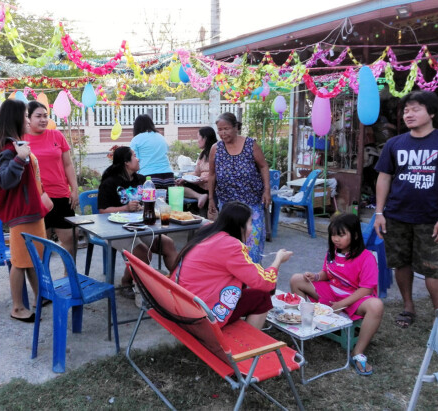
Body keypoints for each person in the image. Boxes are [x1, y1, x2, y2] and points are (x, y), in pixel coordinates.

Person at [374, 90, 438, 328]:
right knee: (401, 263)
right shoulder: (394, 143)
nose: (409, 114)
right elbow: (384, 178)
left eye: (416, 109)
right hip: (396, 216)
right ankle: (408, 307)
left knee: (434, 269)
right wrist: (378, 213)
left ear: (432, 112)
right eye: (406, 110)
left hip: (431, 217)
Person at [174, 201, 292, 329]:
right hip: (201, 316)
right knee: (262, 297)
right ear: (240, 226)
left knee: (246, 291)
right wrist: (278, 260)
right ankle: (251, 345)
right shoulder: (231, 246)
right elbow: (265, 283)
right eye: (250, 223)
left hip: (181, 305)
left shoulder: (208, 232)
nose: (252, 229)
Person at [290, 213, 383, 375]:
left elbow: (366, 289)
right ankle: (307, 327)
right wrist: (316, 276)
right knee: (296, 279)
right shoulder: (333, 251)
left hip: (355, 298)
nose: (336, 239)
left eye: (341, 235)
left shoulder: (366, 257)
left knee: (376, 305)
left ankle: (358, 352)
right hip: (332, 293)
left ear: (354, 235)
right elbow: (328, 273)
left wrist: (343, 303)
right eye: (333, 235)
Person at [0, 99, 51, 322]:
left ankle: (40, 296)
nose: (27, 120)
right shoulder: (7, 147)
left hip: (32, 210)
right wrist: (19, 158)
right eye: (24, 116)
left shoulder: (14, 144)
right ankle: (17, 308)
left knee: (33, 258)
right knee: (21, 262)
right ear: (15, 118)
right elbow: (4, 180)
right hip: (21, 214)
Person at [98, 146, 178, 298]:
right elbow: (102, 211)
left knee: (167, 243)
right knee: (142, 253)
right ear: (126, 163)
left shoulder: (142, 180)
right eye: (134, 156)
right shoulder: (110, 183)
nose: (138, 159)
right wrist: (125, 207)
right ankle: (126, 282)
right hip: (116, 229)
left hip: (140, 225)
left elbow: (151, 203)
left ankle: (178, 284)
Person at [208, 112, 271, 264]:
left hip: (251, 204)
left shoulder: (250, 145)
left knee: (252, 244)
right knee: (230, 244)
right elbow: (212, 174)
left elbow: (263, 166)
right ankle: (234, 282)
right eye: (220, 130)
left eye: (226, 129)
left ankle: (254, 278)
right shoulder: (215, 149)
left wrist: (267, 190)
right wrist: (211, 198)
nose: (223, 133)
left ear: (236, 127)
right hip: (227, 205)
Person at [25, 101, 79, 257]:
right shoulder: (21, 139)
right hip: (37, 198)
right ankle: (43, 280)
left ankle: (68, 276)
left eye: (45, 116)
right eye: (38, 116)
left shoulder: (56, 135)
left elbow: (68, 164)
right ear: (28, 118)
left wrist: (74, 189)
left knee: (71, 238)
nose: (43, 120)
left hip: (61, 195)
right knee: (41, 242)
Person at [175, 126, 217, 209]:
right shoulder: (203, 154)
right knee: (177, 186)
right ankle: (200, 196)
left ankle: (203, 197)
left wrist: (204, 179)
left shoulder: (217, 152)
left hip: (213, 188)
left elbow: (219, 174)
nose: (197, 140)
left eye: (198, 137)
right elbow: (197, 173)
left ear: (204, 138)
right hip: (201, 185)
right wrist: (184, 179)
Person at [130, 114, 174, 189]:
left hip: (148, 178)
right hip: (169, 176)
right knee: (166, 200)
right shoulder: (161, 137)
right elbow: (166, 151)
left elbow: (133, 161)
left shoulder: (136, 140)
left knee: (148, 201)